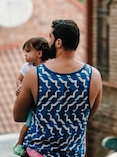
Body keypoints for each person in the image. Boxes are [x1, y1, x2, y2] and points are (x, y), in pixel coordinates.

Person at [14, 19, 103, 157]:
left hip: (38, 152)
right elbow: (88, 116)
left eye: (50, 37)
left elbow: (19, 116)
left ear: (58, 42)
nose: (48, 42)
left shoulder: (35, 74)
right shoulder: (93, 76)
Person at [13, 36, 50, 156]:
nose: (25, 55)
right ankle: (19, 143)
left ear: (39, 53)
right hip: (30, 102)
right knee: (28, 123)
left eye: (28, 52)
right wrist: (19, 87)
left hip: (41, 104)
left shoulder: (47, 69)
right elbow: (19, 79)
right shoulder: (26, 67)